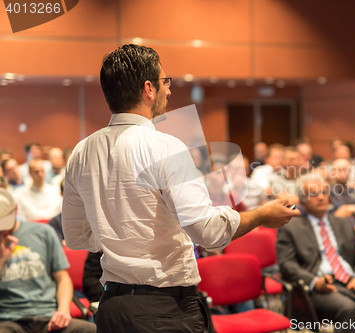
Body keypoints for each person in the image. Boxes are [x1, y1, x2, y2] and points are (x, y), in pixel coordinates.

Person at [62, 44, 299, 333]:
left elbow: (75, 238)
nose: (169, 90)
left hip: (113, 307)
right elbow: (208, 232)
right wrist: (262, 216)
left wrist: (120, 240)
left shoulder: (81, 150)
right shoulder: (165, 146)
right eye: (166, 82)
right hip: (164, 309)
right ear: (149, 89)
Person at [276, 176, 355, 333]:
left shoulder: (343, 222)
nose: (321, 197)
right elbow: (287, 265)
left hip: (351, 282)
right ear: (302, 201)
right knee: (349, 311)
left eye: (323, 192)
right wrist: (315, 282)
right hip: (319, 289)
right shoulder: (290, 228)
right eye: (314, 194)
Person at [0, 189, 96, 333]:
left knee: (91, 330)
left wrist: (63, 310)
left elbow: (63, 279)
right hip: (9, 320)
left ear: (15, 210)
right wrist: (2, 259)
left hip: (48, 317)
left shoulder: (43, 232)